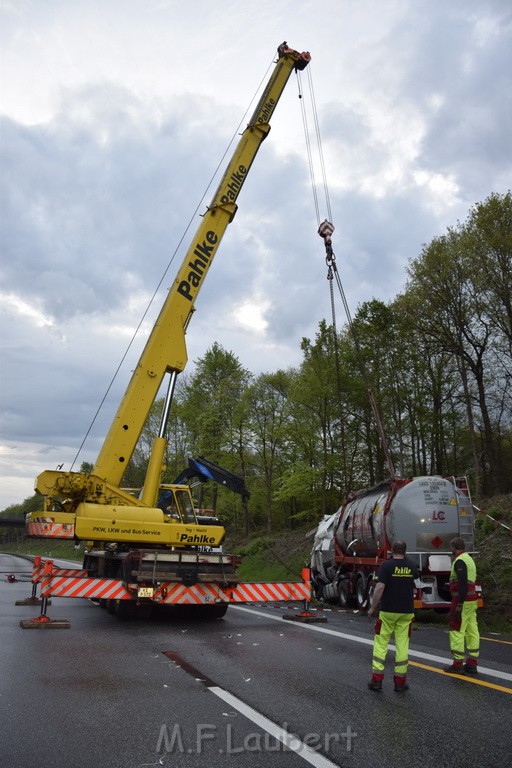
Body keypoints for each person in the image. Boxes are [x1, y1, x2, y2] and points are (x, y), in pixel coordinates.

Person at [367, 540, 419, 692]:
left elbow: (380, 588)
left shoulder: (386, 566)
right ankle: (400, 682)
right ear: (405, 551)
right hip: (406, 612)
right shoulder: (411, 565)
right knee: (402, 645)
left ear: (391, 551)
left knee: (381, 643)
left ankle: (377, 680)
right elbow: (415, 576)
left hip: (388, 611)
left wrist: (372, 608)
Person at [444, 536, 480, 675]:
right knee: (472, 630)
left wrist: (459, 604)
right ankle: (472, 663)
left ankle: (457, 664)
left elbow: (463, 584)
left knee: (457, 629)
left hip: (462, 600)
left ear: (453, 547)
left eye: (451, 548)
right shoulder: (469, 558)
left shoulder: (460, 561)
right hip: (471, 601)